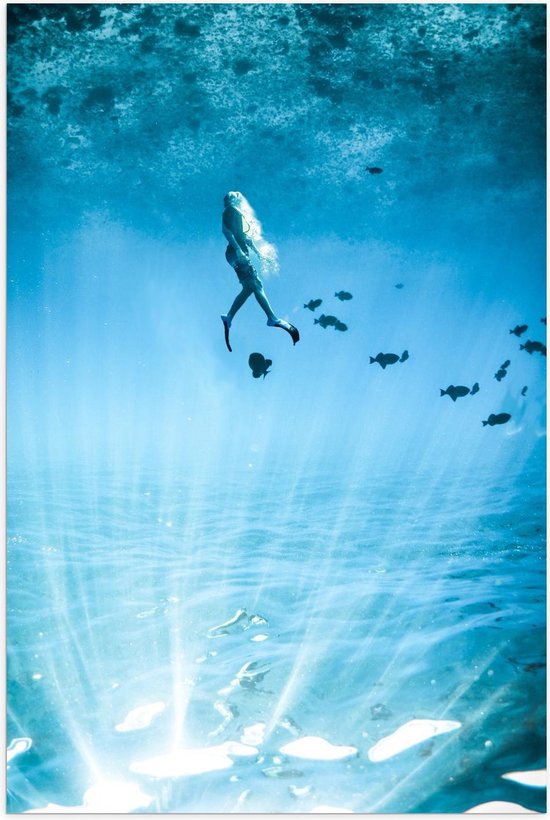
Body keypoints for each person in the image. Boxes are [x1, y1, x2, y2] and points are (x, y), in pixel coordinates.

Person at [220, 191, 299, 352]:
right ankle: (272, 318)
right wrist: (239, 251)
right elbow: (226, 232)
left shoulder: (237, 214)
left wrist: (261, 256)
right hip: (235, 253)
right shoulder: (230, 210)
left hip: (235, 253)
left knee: (251, 287)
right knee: (255, 284)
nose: (235, 199)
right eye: (233, 198)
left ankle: (229, 317)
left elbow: (246, 239)